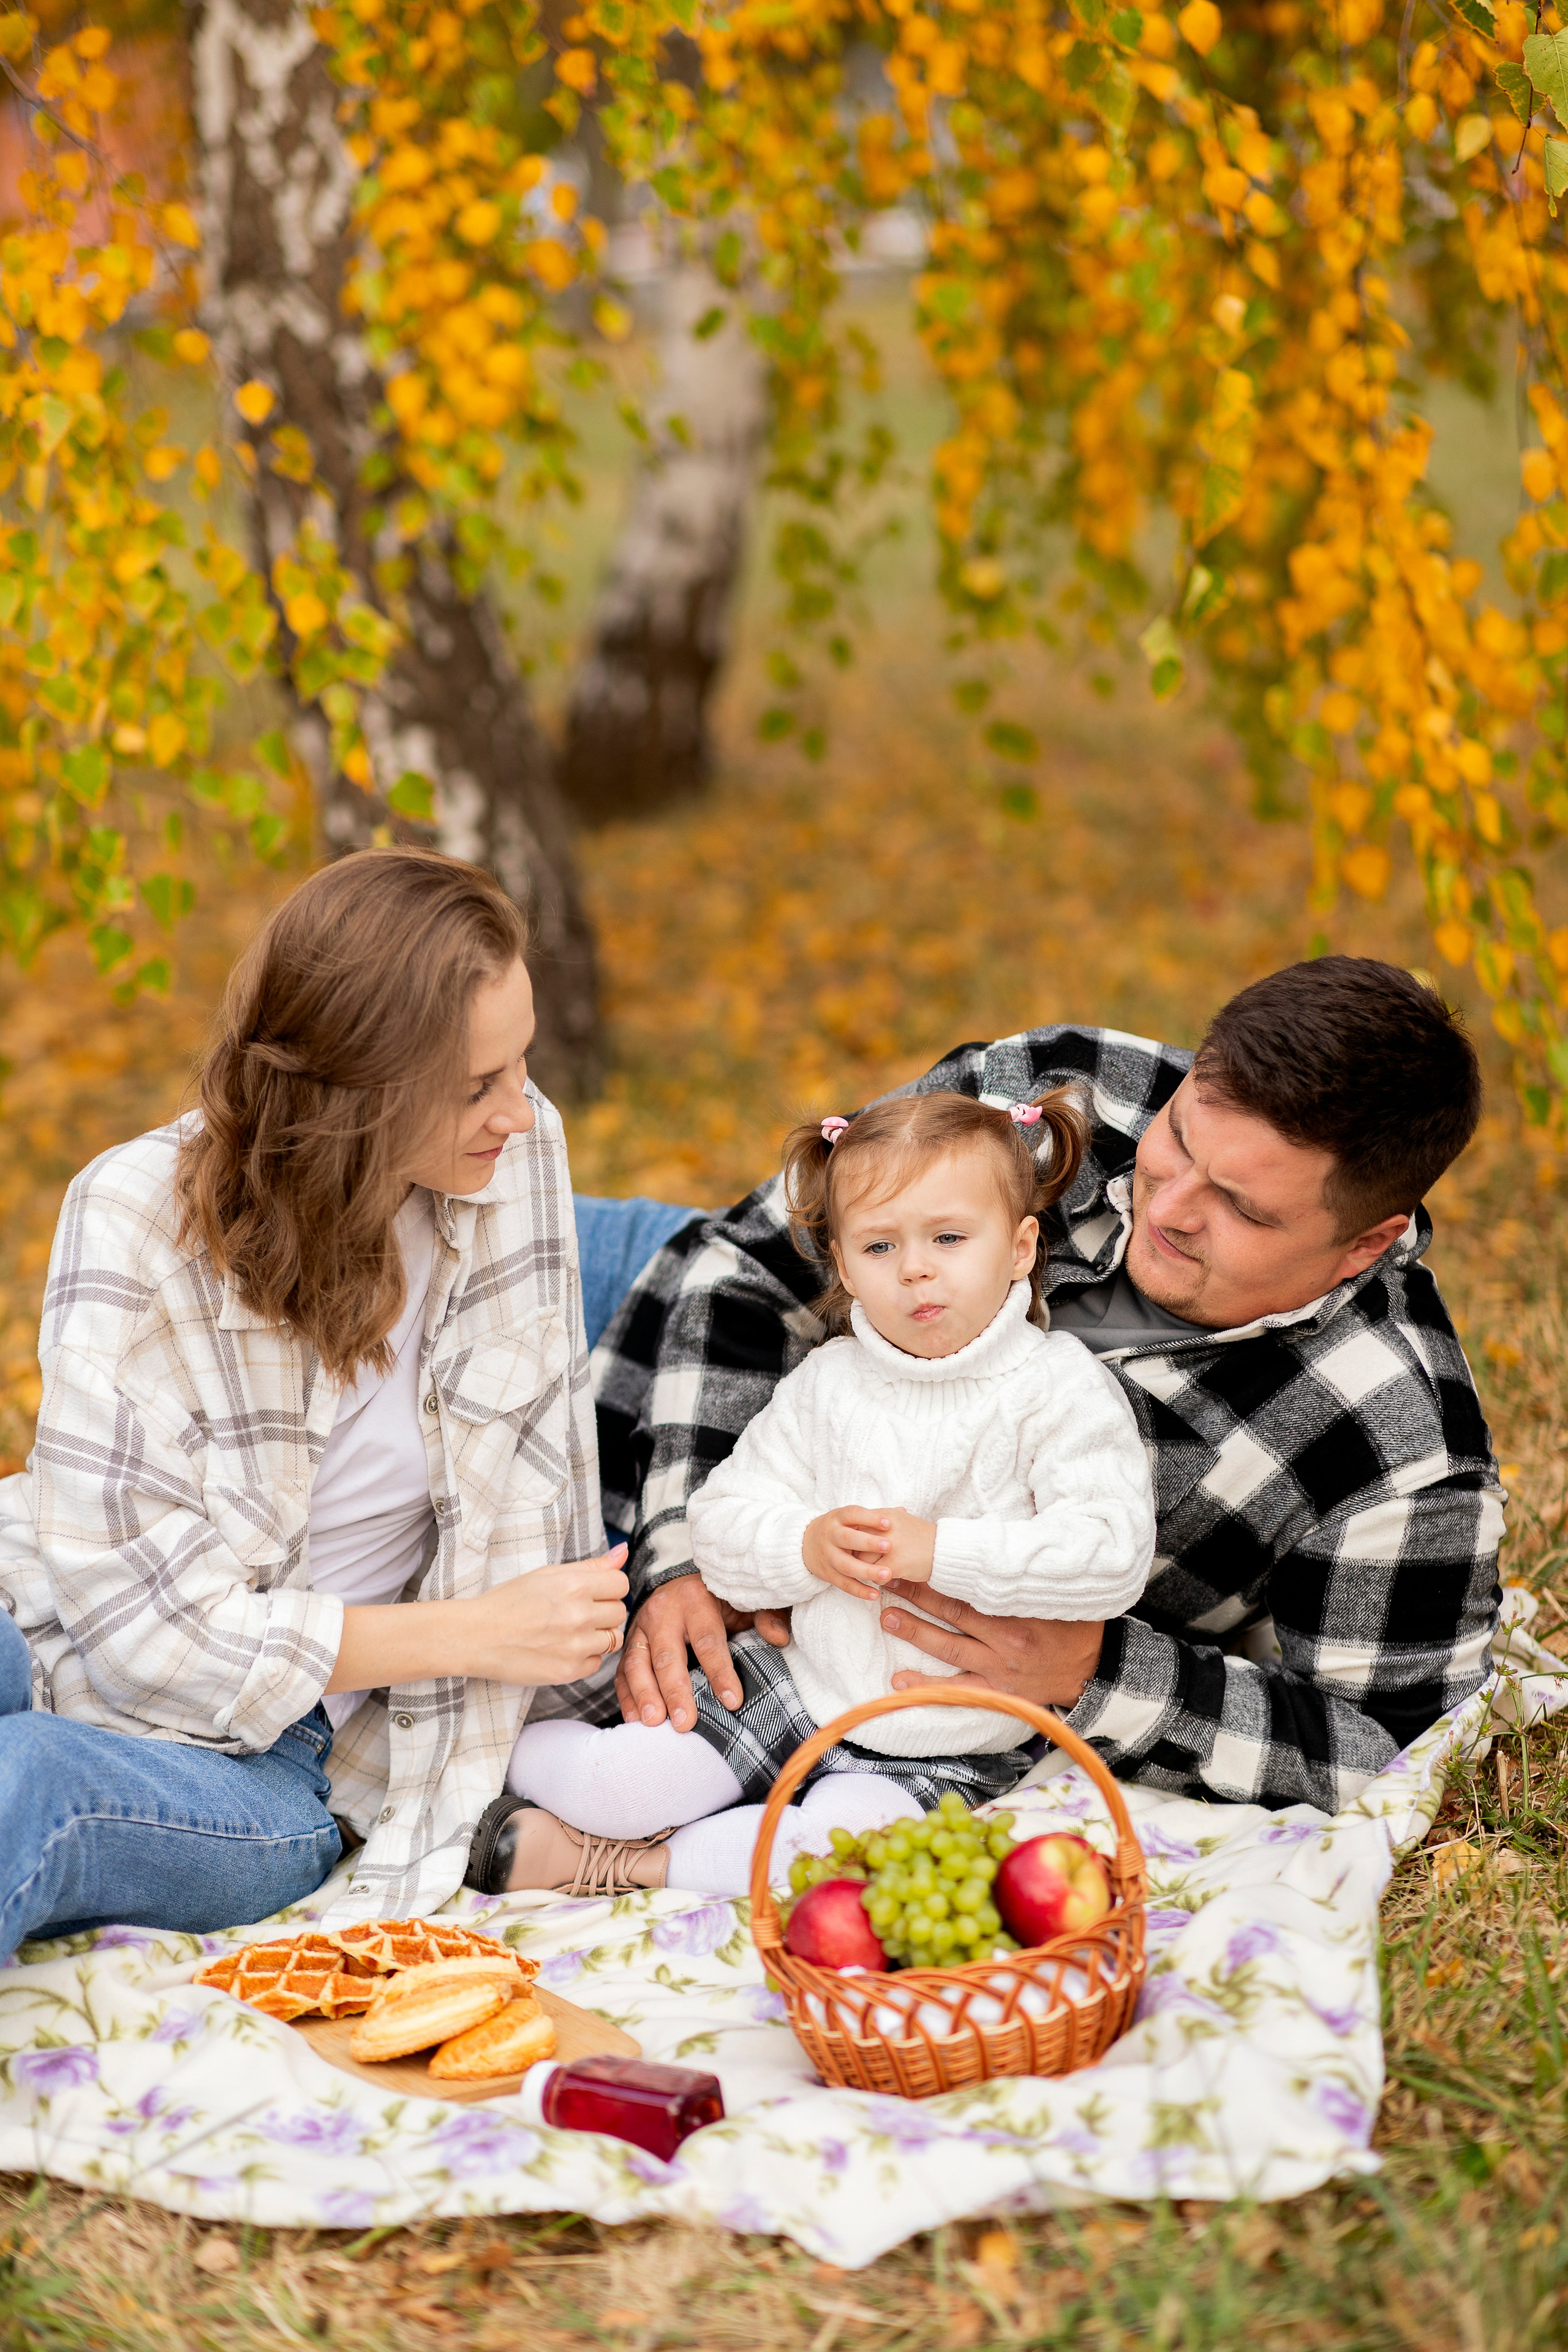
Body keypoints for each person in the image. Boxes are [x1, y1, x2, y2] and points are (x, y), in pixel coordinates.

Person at [473, 957, 1502, 1887]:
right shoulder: (1067, 1090)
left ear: (1366, 1243)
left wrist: (1103, 1674)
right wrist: (688, 1552)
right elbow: (748, 1266)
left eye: (1242, 1208)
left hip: (876, 1688)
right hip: (669, 1336)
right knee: (389, 1218)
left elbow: (1387, 1747)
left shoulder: (1401, 1449)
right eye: (1181, 1139)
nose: (1172, 1204)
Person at [0, 847, 629, 1956]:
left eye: (521, 1068)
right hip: (51, 1621)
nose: (519, 1115)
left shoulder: (516, 1167)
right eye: (476, 1087)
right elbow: (141, 1635)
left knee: (27, 1783)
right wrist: (474, 1634)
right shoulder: (136, 1218)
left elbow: (544, 1506)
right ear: (355, 1098)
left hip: (265, 1762)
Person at [491, 1089, 1155, 1897]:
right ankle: (478, 1770)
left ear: (1019, 1249)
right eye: (880, 1246)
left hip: (952, 1730)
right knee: (617, 1784)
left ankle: (624, 1866)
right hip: (802, 1678)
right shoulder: (830, 1383)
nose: (915, 1268)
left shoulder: (1058, 1390)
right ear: (842, 1264)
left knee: (833, 1863)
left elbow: (1111, 1556)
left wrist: (939, 1552)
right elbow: (724, 1526)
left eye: (949, 1237)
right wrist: (801, 1548)